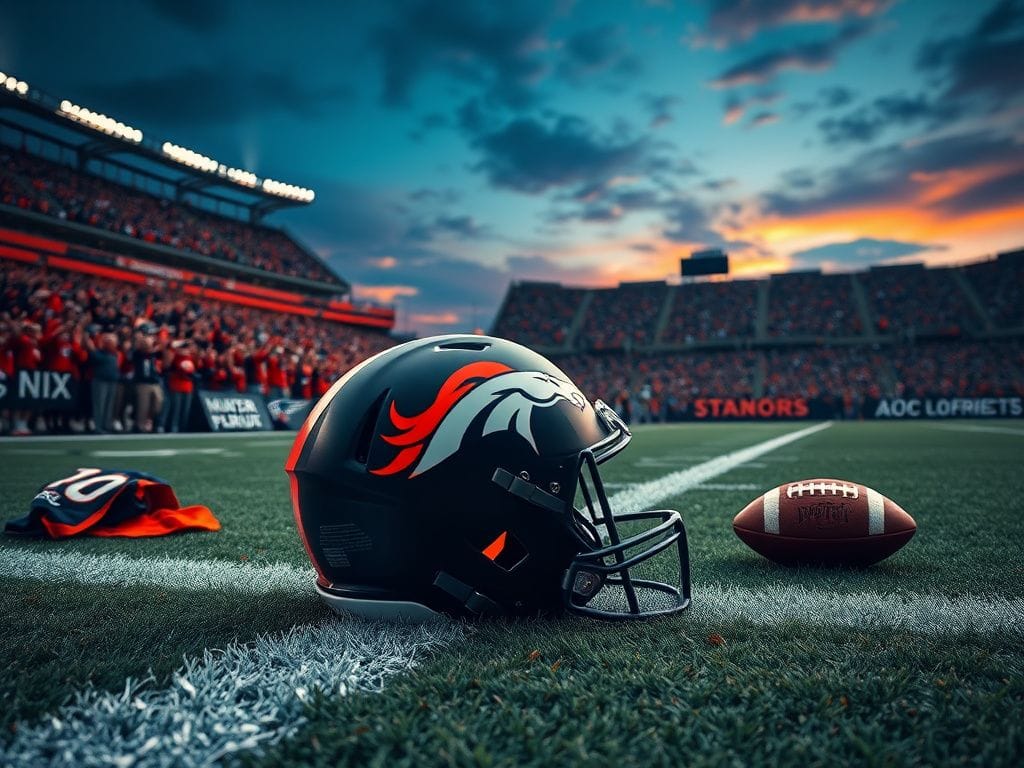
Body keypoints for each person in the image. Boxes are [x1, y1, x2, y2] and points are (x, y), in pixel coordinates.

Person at [85, 332, 121, 434]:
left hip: (112, 382)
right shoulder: (97, 353)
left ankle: (106, 426)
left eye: (112, 341)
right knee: (99, 405)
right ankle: (99, 427)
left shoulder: (115, 354)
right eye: (108, 341)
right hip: (100, 382)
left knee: (109, 406)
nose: (111, 343)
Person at [131, 333, 164, 433]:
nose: (147, 345)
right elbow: (136, 352)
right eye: (145, 343)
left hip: (155, 383)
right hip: (142, 383)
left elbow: (163, 348)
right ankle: (140, 427)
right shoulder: (137, 354)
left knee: (158, 403)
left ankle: (150, 421)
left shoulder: (154, 354)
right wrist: (141, 341)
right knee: (143, 406)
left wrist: (155, 343)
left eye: (149, 343)